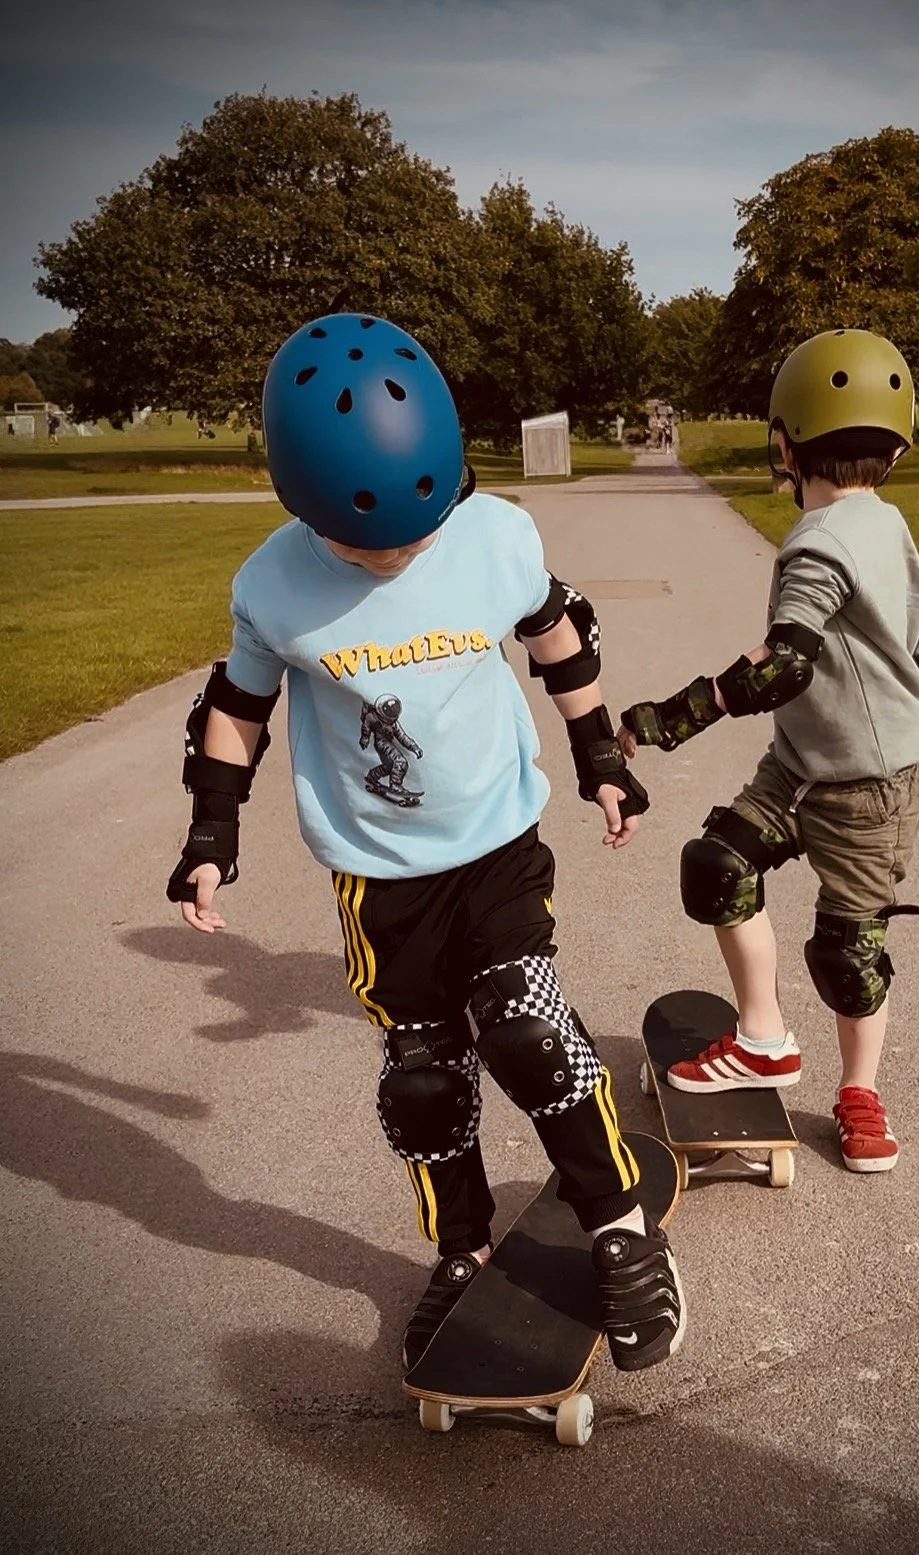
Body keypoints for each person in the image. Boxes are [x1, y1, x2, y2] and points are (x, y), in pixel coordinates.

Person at [167, 313, 685, 1373]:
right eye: (371, 543)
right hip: (377, 880)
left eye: (420, 527)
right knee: (421, 1076)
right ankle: (461, 1247)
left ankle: (624, 1223)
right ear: (304, 499)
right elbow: (236, 707)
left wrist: (600, 755)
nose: (403, 555)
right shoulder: (273, 585)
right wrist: (210, 831)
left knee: (525, 1028)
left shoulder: (492, 534)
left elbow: (557, 630)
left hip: (496, 842)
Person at [618, 329, 919, 1173]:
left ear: (786, 442)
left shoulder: (816, 541)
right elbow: (910, 636)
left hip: (870, 790)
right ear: (895, 444)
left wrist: (669, 718)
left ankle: (861, 1092)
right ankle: (763, 1037)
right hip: (800, 768)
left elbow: (785, 662)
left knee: (848, 949)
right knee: (719, 864)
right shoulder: (886, 523)